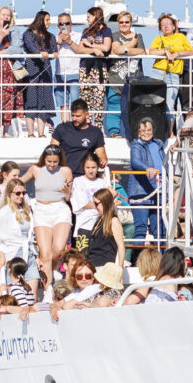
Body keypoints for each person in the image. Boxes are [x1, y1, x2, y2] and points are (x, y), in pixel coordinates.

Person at [27, 142, 75, 278]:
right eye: (49, 161)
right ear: (44, 159)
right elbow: (18, 182)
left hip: (60, 209)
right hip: (41, 210)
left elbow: (68, 197)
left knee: (58, 250)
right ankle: (48, 284)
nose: (52, 165)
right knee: (45, 254)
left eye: (55, 162)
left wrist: (65, 191)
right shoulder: (35, 169)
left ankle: (53, 273)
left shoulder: (66, 171)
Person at [122, 115, 164, 239]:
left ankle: (162, 252)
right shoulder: (136, 145)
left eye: (149, 130)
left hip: (157, 191)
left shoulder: (158, 145)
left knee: (160, 229)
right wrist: (147, 168)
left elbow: (164, 164)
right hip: (141, 193)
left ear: (153, 131)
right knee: (141, 228)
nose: (146, 133)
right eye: (143, 130)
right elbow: (135, 161)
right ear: (138, 133)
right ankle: (138, 252)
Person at [82, 184, 129, 287]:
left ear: (104, 203)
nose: (95, 207)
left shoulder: (113, 221)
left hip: (105, 266)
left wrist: (120, 270)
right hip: (93, 265)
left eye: (96, 204)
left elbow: (121, 246)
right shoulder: (99, 220)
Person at [20, 11, 60, 129]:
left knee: (44, 99)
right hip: (32, 67)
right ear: (40, 20)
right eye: (47, 20)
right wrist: (40, 52)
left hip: (45, 69)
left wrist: (54, 53)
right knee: (31, 98)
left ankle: (41, 133)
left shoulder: (51, 36)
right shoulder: (29, 34)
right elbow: (31, 47)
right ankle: (31, 133)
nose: (49, 22)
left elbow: (53, 50)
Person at [50, 100, 105, 180]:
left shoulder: (96, 133)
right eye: (73, 115)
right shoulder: (62, 128)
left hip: (85, 178)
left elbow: (102, 157)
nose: (74, 118)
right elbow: (51, 151)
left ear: (87, 114)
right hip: (63, 175)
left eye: (78, 116)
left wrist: (102, 161)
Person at [75, 7, 113, 115]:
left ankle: (97, 124)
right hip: (85, 68)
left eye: (89, 17)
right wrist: (94, 50)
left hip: (99, 69)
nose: (87, 19)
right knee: (85, 100)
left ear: (95, 16)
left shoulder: (106, 31)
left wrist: (91, 44)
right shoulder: (86, 31)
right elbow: (79, 50)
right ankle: (86, 124)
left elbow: (106, 47)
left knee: (98, 101)